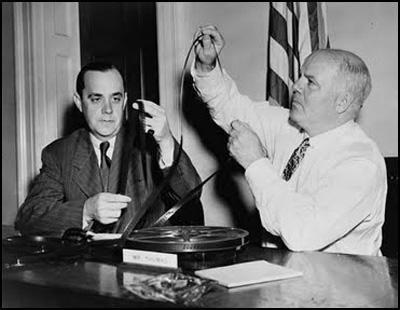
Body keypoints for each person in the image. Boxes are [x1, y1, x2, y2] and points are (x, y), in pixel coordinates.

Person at [191, 25, 387, 256]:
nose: (295, 86)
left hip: (340, 287)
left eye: (310, 82)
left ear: (342, 102)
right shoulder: (290, 127)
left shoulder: (360, 164)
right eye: (300, 77)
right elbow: (230, 107)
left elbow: (302, 234)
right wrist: (208, 66)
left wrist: (256, 163)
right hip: (282, 275)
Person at [15, 62, 204, 237]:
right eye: (96, 99)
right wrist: (86, 210)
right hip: (88, 268)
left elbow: (192, 196)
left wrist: (166, 141)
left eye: (115, 98)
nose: (108, 110)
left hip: (148, 265)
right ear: (79, 102)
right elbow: (28, 219)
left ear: (124, 101)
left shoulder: (151, 143)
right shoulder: (59, 153)